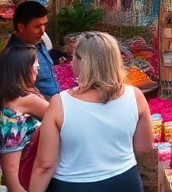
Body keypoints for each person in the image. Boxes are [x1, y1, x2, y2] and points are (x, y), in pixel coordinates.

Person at [28, 31, 152, 192]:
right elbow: (144, 147)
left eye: (74, 57)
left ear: (82, 62)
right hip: (125, 180)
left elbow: (45, 164)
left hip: (73, 184)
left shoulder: (61, 103)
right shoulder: (135, 96)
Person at [0, 45, 51, 192]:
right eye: (35, 63)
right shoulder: (27, 101)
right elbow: (64, 119)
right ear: (22, 69)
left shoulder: (4, 99)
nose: (38, 67)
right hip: (28, 181)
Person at [7, 0, 60, 98]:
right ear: (21, 27)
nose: (43, 30)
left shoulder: (36, 42)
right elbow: (21, 96)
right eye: (37, 26)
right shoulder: (16, 56)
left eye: (44, 24)